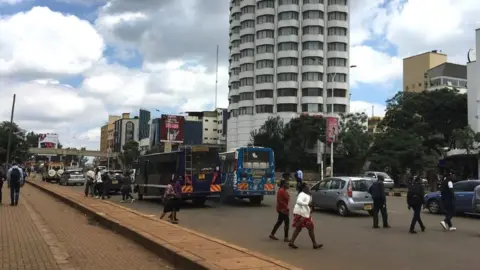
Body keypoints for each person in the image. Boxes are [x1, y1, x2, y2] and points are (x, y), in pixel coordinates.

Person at [289, 183, 322, 249]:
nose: (309, 188)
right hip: (301, 214)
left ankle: (292, 242)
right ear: (303, 189)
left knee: (301, 228)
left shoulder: (308, 194)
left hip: (305, 214)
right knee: (307, 228)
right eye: (307, 187)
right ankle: (314, 244)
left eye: (309, 187)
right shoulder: (301, 194)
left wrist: (311, 207)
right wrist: (307, 204)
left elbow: (309, 204)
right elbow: (298, 202)